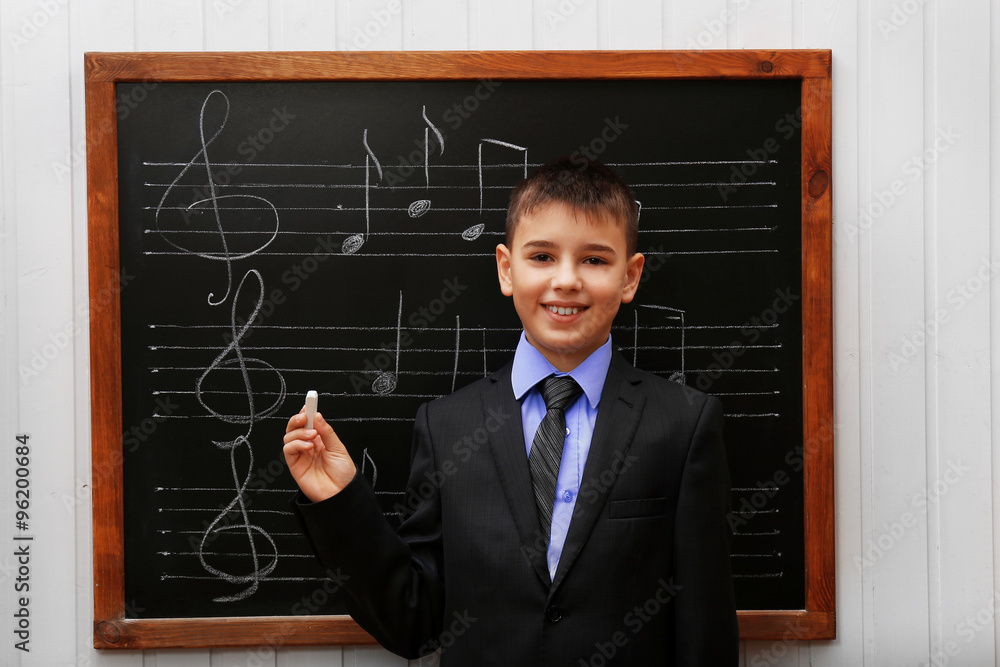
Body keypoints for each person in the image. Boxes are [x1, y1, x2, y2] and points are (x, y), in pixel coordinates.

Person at [283, 156, 739, 665]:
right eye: (541, 256)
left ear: (630, 277)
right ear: (506, 268)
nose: (566, 280)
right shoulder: (447, 426)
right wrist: (340, 502)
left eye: (594, 260)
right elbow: (413, 621)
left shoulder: (684, 423)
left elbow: (706, 627)